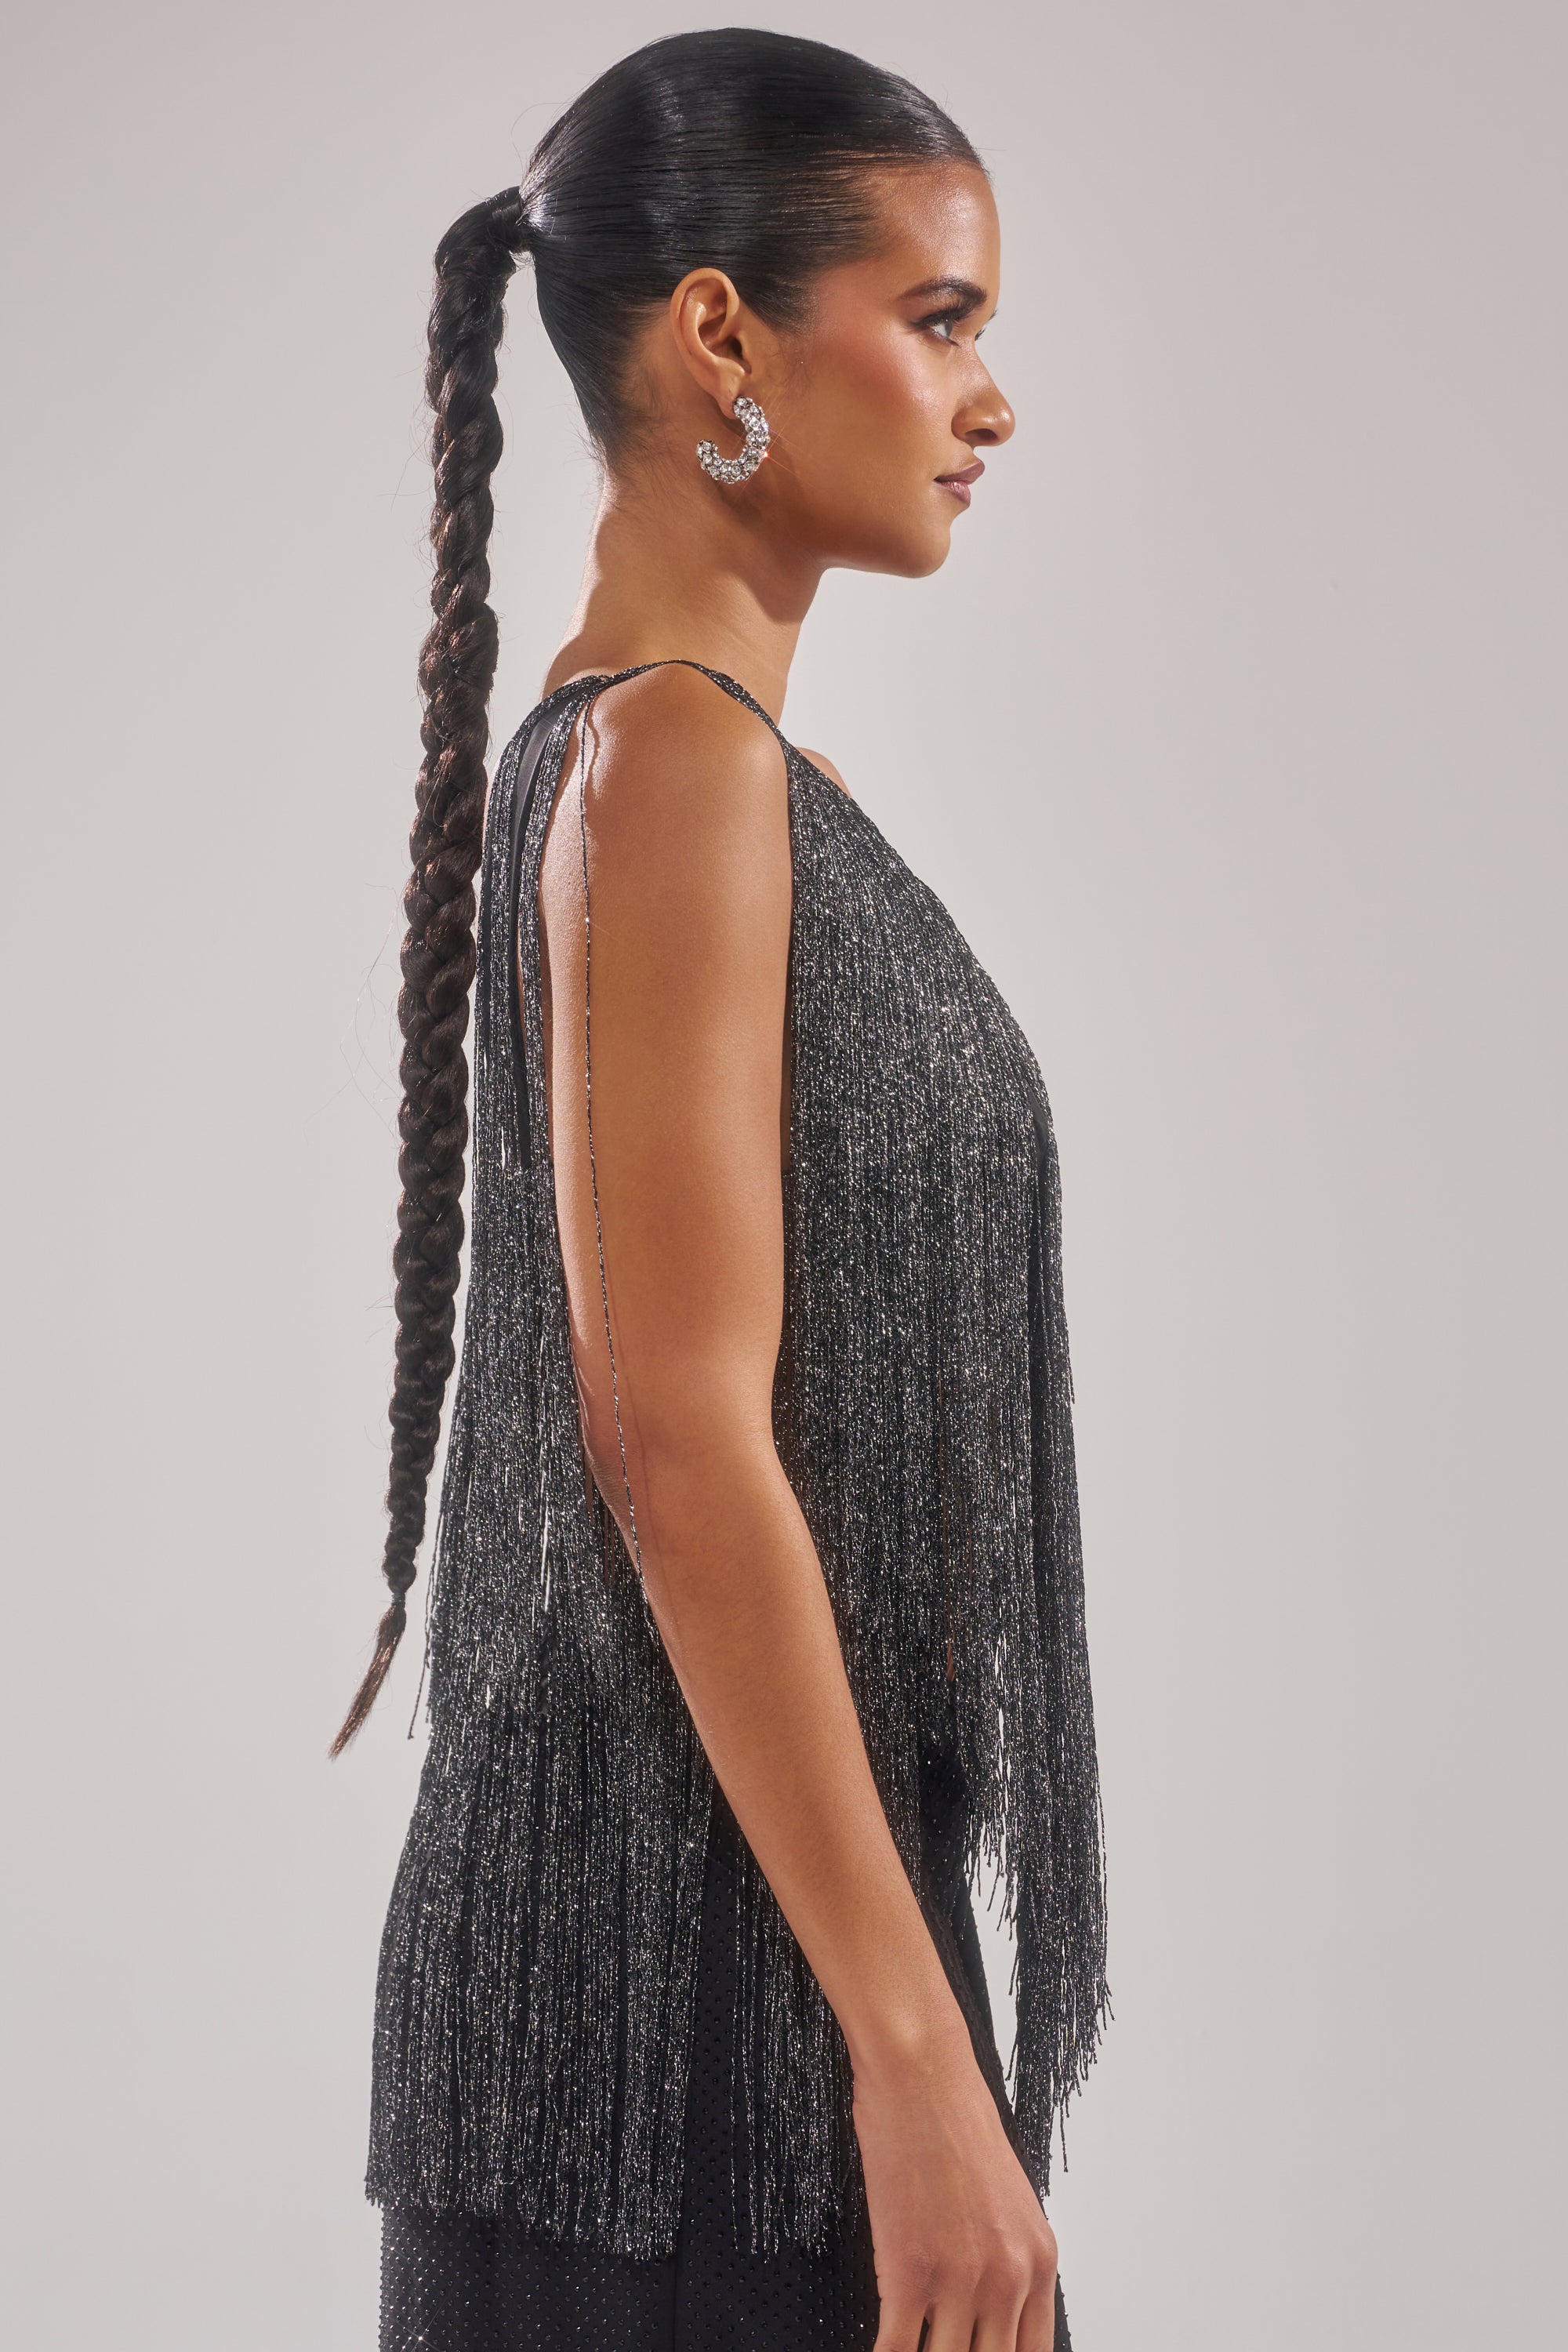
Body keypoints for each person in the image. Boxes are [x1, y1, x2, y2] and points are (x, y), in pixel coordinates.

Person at [331, 29, 1109, 2352]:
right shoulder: (667, 759)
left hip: (732, 1959)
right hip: (686, 2022)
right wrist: (910, 2059)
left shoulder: (707, 757)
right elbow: (674, 1441)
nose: (992, 398)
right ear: (721, 339)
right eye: (943, 317)